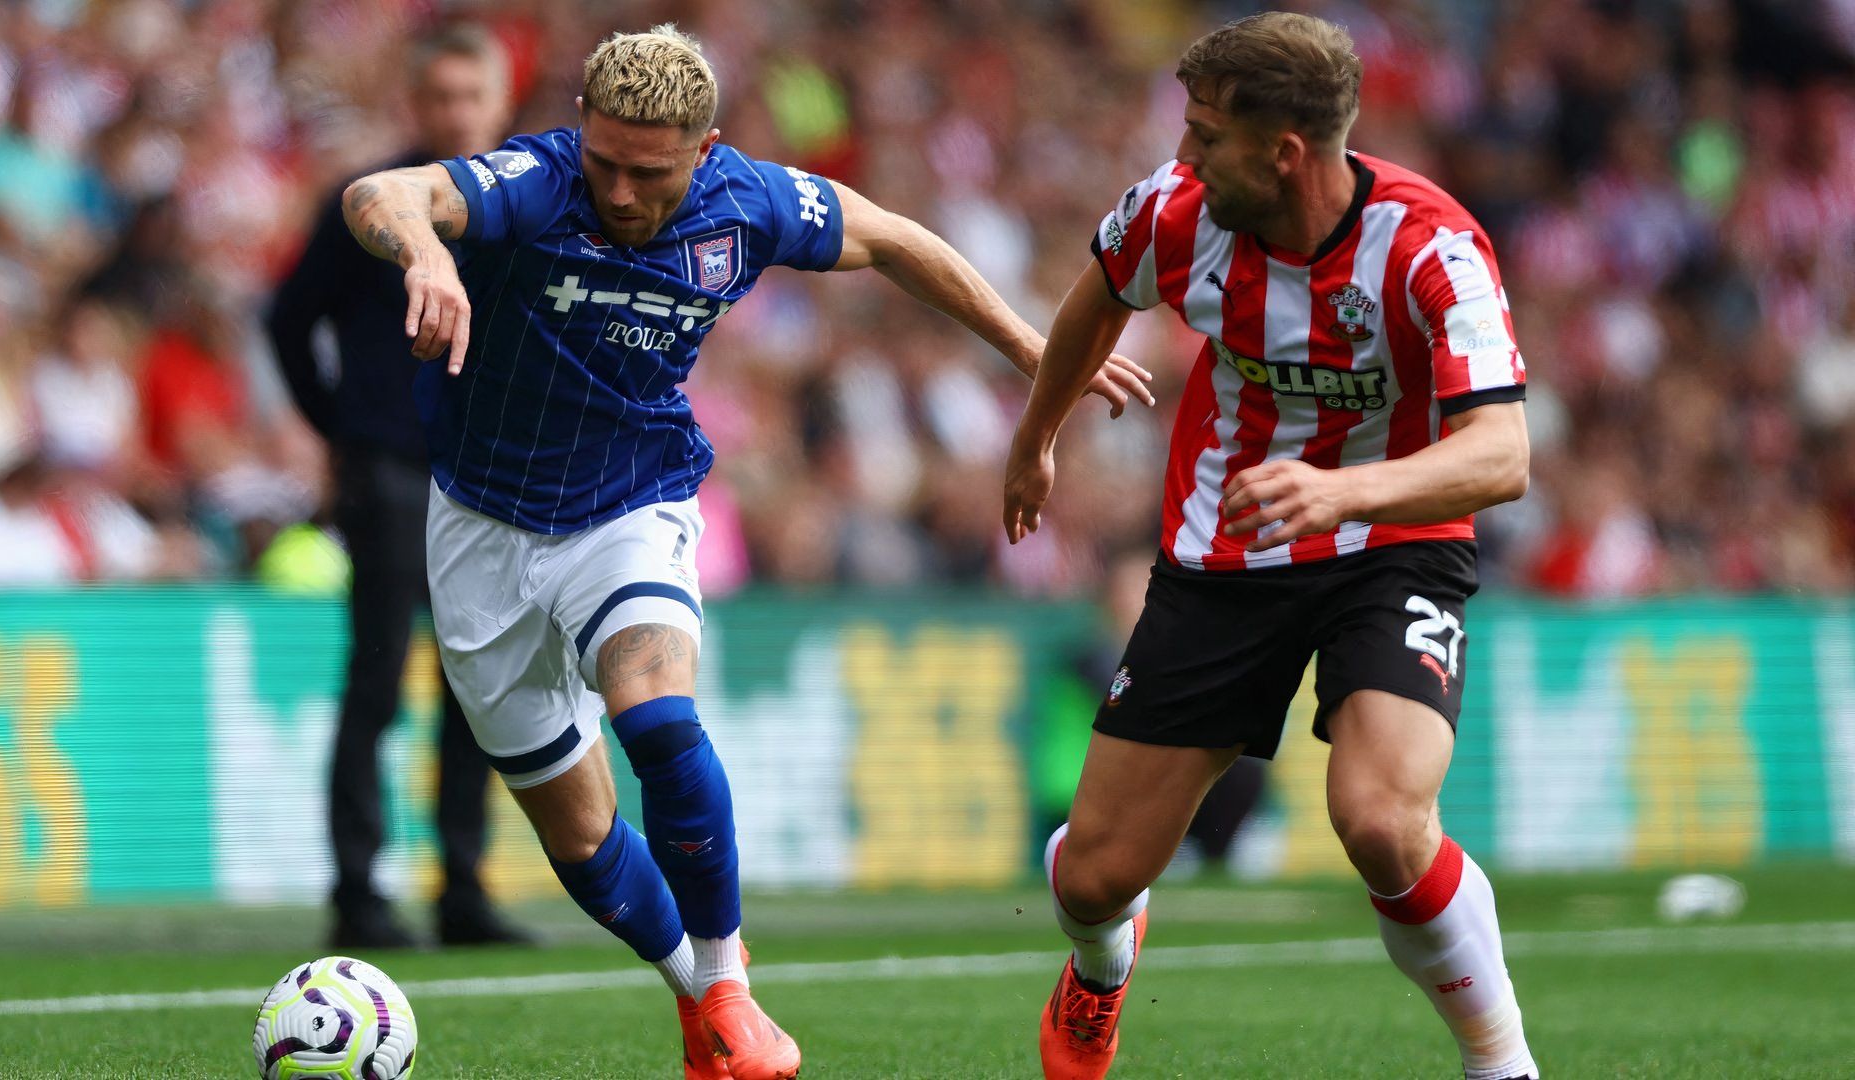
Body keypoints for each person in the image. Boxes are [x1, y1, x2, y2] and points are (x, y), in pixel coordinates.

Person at [338, 24, 1151, 1080]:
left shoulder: (751, 202)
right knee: (581, 841)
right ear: (580, 130)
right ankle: (695, 995)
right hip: (479, 526)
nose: (622, 193)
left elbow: (897, 238)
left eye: (651, 171)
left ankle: (727, 981)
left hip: (632, 504)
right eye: (607, 162)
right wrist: (430, 249)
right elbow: (384, 194)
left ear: (705, 147)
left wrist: (1038, 350)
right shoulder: (535, 181)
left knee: (659, 719)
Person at [1002, 13, 1540, 1080]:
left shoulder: (1432, 247)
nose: (1185, 155)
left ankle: (1504, 1065)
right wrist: (1035, 441)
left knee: (1384, 822)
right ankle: (1102, 974)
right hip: (1229, 552)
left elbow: (1502, 454)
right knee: (1092, 880)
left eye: (1205, 135)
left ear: (1283, 151)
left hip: (1394, 539)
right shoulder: (1176, 213)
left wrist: (1345, 491)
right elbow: (1093, 303)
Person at [266, 25, 532, 949]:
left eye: (473, 96)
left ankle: (462, 886)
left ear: (500, 103)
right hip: (390, 468)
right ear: (415, 104)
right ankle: (358, 892)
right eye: (442, 96)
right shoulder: (370, 210)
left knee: (478, 687)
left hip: (489, 477)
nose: (457, 113)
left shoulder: (526, 208)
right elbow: (288, 318)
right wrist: (340, 426)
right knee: (377, 680)